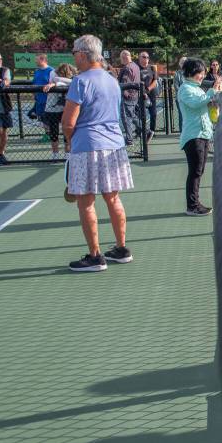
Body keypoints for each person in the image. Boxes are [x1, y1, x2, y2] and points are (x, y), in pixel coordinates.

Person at [63, 35, 133, 272]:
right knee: (113, 198)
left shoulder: (80, 81)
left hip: (88, 146)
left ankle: (95, 256)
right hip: (114, 145)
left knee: (86, 202)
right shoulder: (112, 80)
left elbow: (68, 122)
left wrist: (70, 142)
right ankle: (121, 249)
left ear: (82, 54)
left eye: (74, 52)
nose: (73, 56)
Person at [178, 58, 222, 216]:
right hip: (193, 135)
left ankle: (195, 203)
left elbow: (202, 103)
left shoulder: (196, 88)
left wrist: (212, 101)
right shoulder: (185, 89)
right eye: (200, 73)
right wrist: (212, 91)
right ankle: (192, 205)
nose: (202, 76)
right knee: (195, 171)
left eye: (203, 73)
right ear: (191, 73)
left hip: (203, 134)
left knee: (199, 170)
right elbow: (196, 103)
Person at [41, 63, 76, 160]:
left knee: (67, 132)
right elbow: (57, 80)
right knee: (54, 133)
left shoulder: (72, 80)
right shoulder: (54, 77)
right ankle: (55, 154)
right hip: (53, 109)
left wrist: (55, 83)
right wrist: (53, 84)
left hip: (65, 109)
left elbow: (66, 82)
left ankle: (67, 154)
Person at [117, 50, 142, 144]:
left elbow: (124, 83)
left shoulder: (127, 68)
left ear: (124, 57)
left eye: (121, 58)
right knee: (132, 115)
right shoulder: (136, 66)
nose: (121, 60)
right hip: (135, 95)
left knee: (126, 117)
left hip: (128, 96)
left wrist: (124, 93)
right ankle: (146, 131)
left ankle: (129, 139)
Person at [137, 51, 158, 138]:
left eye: (147, 57)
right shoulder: (136, 68)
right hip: (140, 95)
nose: (146, 59)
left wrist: (148, 89)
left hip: (151, 94)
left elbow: (155, 81)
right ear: (139, 58)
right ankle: (141, 131)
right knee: (141, 115)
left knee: (153, 113)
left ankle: (152, 131)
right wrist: (142, 92)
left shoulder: (152, 68)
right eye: (144, 57)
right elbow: (136, 81)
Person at [31, 53, 54, 121]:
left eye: (37, 59)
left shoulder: (51, 71)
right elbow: (34, 83)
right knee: (42, 123)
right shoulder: (37, 71)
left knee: (50, 123)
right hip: (39, 101)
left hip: (49, 102)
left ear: (43, 60)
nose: (35, 61)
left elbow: (55, 83)